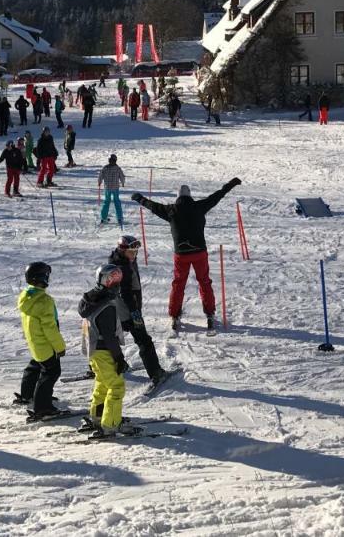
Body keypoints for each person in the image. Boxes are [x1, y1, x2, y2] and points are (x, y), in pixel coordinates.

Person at [132, 178, 241, 332]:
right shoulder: (199, 206)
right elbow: (217, 195)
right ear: (190, 196)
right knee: (204, 282)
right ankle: (209, 314)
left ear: (178, 197)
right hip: (199, 252)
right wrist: (230, 184)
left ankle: (175, 315)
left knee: (178, 284)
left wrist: (140, 198)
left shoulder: (171, 210)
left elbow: (153, 206)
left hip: (181, 254)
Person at [108, 235, 171, 387]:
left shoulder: (119, 262)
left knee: (113, 338)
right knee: (144, 341)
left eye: (136, 252)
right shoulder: (122, 268)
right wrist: (135, 312)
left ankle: (117, 364)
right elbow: (126, 293)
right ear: (122, 251)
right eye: (131, 252)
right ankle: (156, 373)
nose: (134, 255)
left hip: (117, 311)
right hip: (128, 312)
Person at [78, 264, 132, 438]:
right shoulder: (106, 306)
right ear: (103, 281)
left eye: (118, 280)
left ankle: (99, 416)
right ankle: (110, 424)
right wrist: (119, 358)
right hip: (104, 351)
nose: (116, 284)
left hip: (94, 351)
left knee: (102, 383)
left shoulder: (91, 299)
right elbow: (109, 336)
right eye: (112, 280)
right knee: (116, 387)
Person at [15, 261, 66, 421]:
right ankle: (42, 407)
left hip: (35, 343)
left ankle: (27, 394)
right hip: (45, 344)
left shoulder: (26, 296)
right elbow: (50, 328)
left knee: (35, 366)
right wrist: (59, 347)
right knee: (51, 372)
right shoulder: (44, 301)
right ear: (42, 278)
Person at [98, 154, 125, 225]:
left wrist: (99, 182)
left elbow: (101, 175)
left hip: (108, 188)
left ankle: (103, 218)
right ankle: (119, 218)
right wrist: (122, 182)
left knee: (106, 202)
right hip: (115, 188)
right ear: (115, 160)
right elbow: (122, 176)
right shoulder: (117, 168)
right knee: (117, 202)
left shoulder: (105, 168)